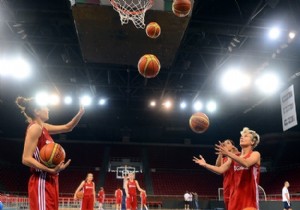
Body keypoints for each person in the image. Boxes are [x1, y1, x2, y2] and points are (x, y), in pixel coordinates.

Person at [16, 96, 84, 210]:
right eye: (45, 107)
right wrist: (50, 170)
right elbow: (26, 158)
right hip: (41, 179)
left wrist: (81, 113)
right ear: (37, 111)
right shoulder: (35, 128)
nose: (48, 109)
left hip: (51, 179)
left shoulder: (44, 127)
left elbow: (68, 127)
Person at [193, 127, 261, 210]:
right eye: (241, 136)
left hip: (249, 201)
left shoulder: (255, 154)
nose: (242, 137)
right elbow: (220, 170)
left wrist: (228, 153)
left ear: (252, 141)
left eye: (246, 136)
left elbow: (246, 163)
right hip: (234, 200)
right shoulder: (234, 157)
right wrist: (205, 164)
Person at [215, 139, 239, 210]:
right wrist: (220, 153)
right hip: (227, 188)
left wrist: (236, 152)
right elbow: (218, 167)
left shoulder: (239, 156)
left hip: (237, 188)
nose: (225, 144)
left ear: (233, 146)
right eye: (224, 143)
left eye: (228, 143)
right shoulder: (224, 159)